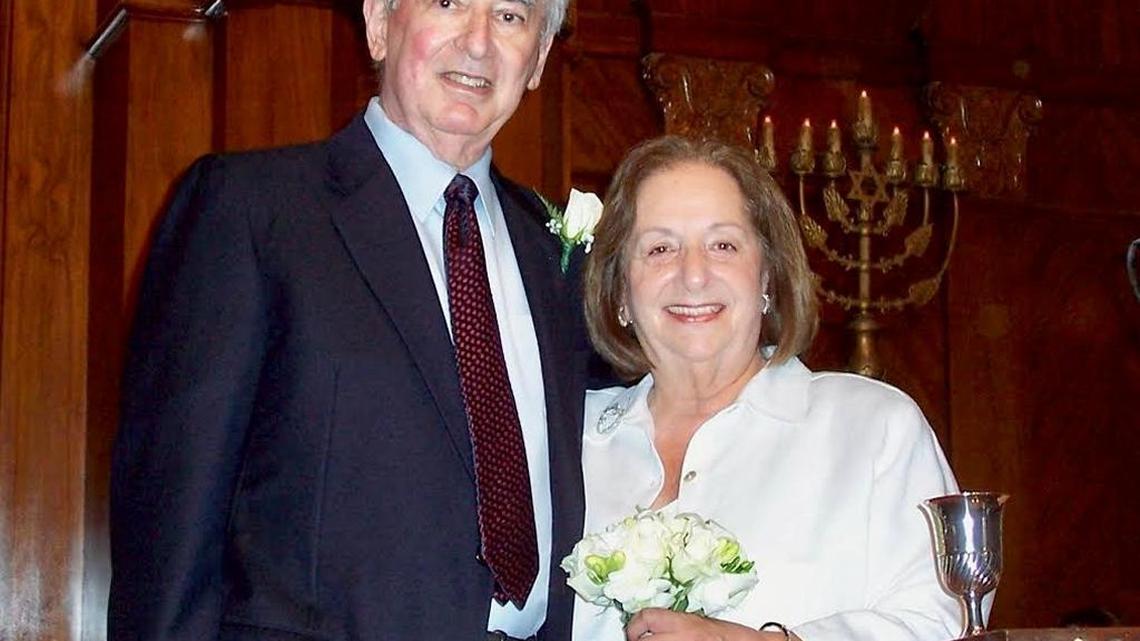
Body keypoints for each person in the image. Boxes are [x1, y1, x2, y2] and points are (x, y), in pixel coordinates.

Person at [108, 1, 588, 640]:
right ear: (380, 23)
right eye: (448, 2)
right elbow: (170, 524)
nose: (478, 43)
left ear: (540, 58)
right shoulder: (252, 211)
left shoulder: (557, 253)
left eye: (510, 15)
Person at [573, 135, 964, 641]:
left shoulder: (872, 428)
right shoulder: (564, 440)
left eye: (723, 245)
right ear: (620, 289)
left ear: (767, 277)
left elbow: (939, 622)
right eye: (660, 248)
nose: (693, 275)